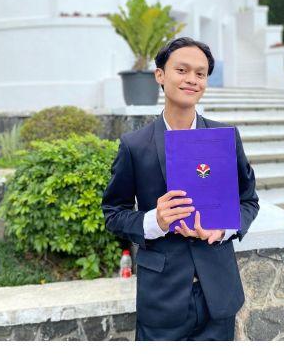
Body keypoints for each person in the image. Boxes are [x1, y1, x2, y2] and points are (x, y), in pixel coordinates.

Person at [101, 37, 259, 340]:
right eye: (182, 70)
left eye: (200, 74)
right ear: (160, 75)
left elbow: (248, 201)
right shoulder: (135, 145)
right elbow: (113, 213)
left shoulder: (225, 138)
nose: (191, 80)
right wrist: (153, 221)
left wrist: (223, 229)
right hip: (162, 298)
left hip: (218, 294)